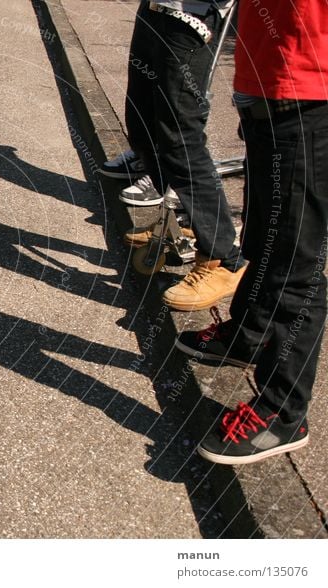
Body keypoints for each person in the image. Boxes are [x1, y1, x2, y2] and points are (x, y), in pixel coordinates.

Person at [175, 0, 328, 464]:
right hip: (265, 78)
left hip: (312, 87)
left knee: (297, 261)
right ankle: (248, 335)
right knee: (263, 235)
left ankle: (283, 412)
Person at [100, 0, 246, 311]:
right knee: (142, 125)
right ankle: (184, 221)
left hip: (192, 16)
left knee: (179, 137)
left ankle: (222, 259)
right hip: (156, 8)